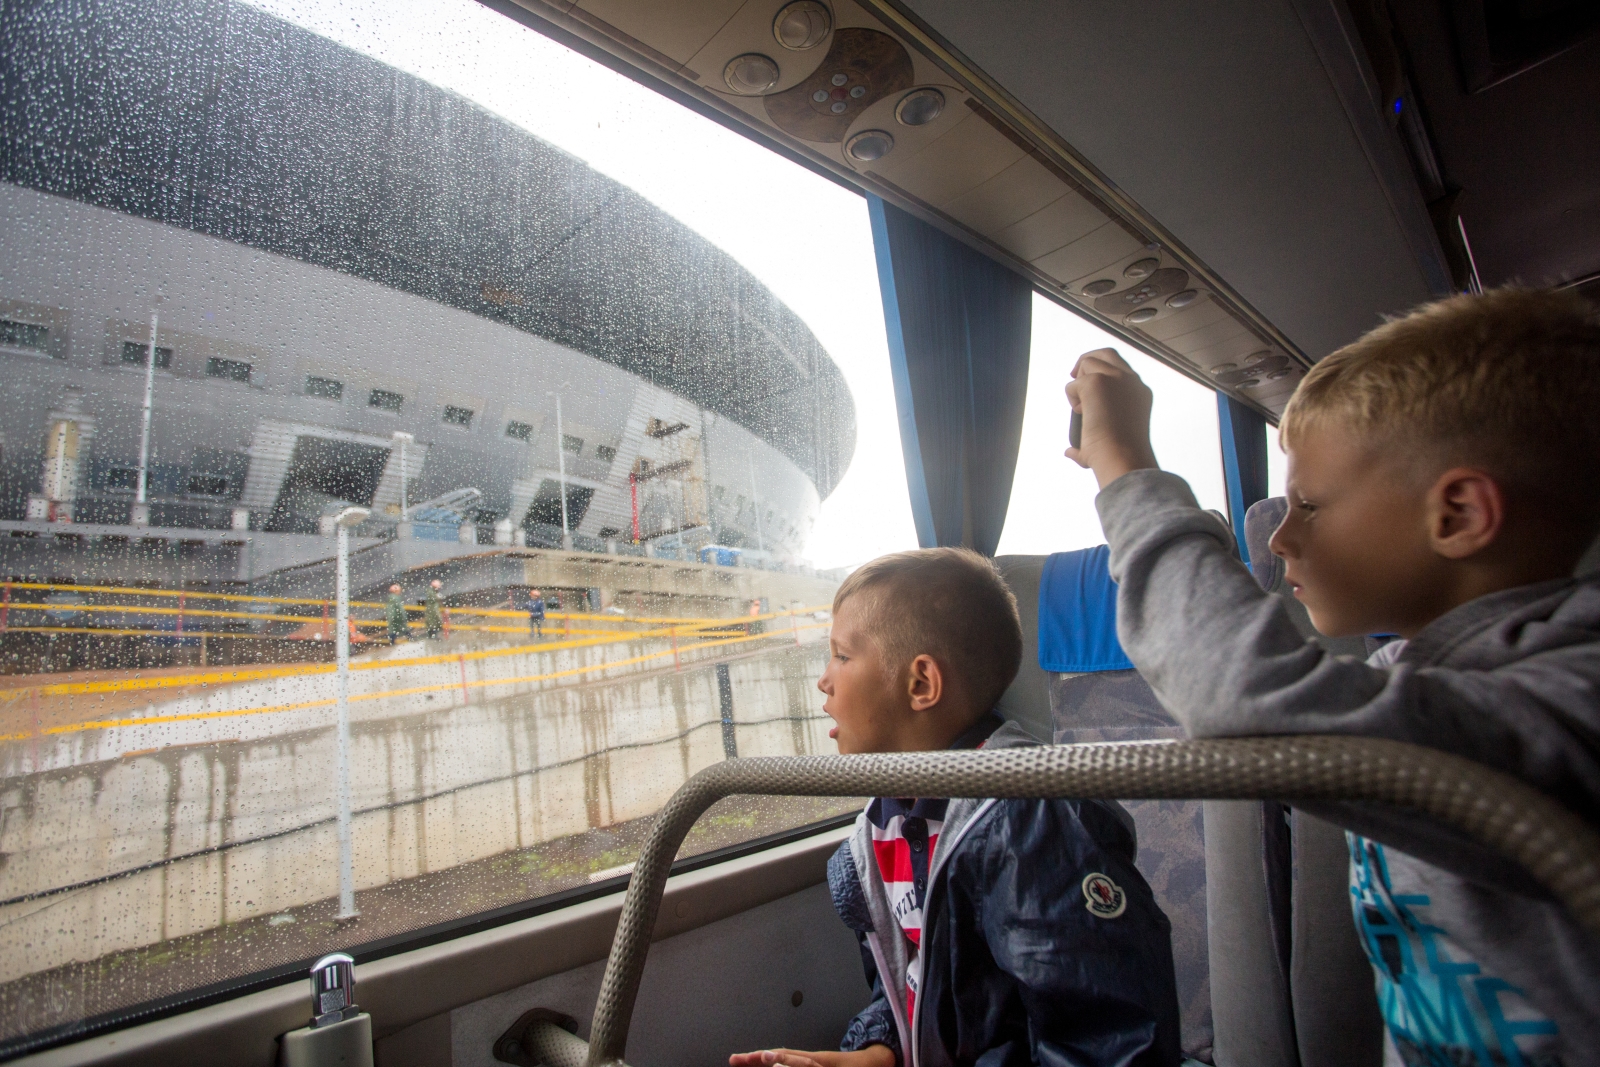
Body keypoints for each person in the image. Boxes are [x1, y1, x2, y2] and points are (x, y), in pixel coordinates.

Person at [1065, 287, 1600, 1066]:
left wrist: (1128, 475)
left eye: (1308, 504)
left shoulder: (1563, 703)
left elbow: (1239, 691)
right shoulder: (1411, 674)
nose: (1280, 538)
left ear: (1457, 515)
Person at [729, 548, 1182, 1067]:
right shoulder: (885, 827)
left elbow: (1107, 1042)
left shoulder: (1029, 816)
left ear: (921, 684)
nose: (824, 681)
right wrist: (874, 1057)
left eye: (842, 656)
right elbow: (916, 994)